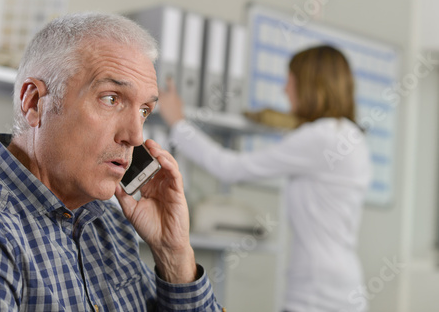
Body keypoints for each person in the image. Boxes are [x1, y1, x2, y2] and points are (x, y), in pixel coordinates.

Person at [0, 13, 223, 311]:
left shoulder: (111, 225)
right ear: (34, 102)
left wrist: (173, 255)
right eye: (111, 99)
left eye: (144, 111)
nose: (136, 137)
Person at [159, 45, 372, 312]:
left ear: (310, 85)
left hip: (318, 294)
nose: (285, 90)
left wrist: (179, 124)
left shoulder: (321, 137)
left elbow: (231, 168)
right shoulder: (350, 136)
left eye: (290, 81)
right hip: (341, 288)